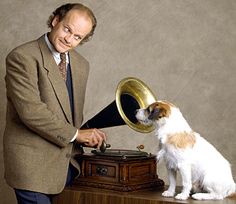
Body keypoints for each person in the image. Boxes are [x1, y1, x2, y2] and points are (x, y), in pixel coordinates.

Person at [3, 3, 106, 204]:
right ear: (55, 20)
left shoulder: (81, 65)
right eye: (67, 29)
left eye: (78, 37)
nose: (69, 39)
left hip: (68, 166)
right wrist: (77, 134)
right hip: (32, 167)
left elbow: (69, 115)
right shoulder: (22, 57)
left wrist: (87, 134)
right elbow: (31, 112)